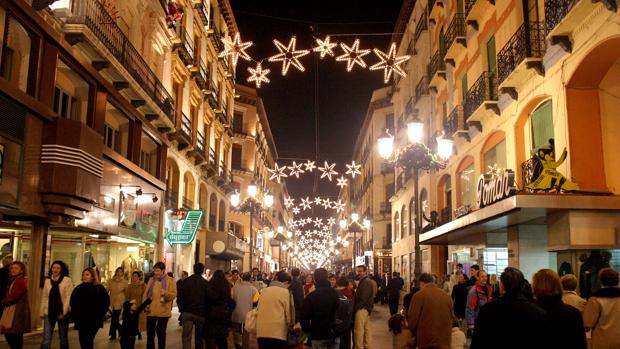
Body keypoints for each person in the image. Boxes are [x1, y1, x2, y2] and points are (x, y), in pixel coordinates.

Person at [470, 267, 550, 349]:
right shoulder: (538, 312)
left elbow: (477, 344)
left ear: (502, 285)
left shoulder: (487, 310)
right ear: (522, 285)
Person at [532, 269, 586, 349]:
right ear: (558, 286)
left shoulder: (528, 312)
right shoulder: (573, 313)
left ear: (535, 288)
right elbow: (580, 344)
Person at [407, 273, 453, 349]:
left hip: (426, 340)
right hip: (444, 340)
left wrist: (413, 333)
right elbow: (451, 316)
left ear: (422, 283)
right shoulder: (447, 296)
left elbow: (412, 319)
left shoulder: (418, 296)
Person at [300, 268, 340, 349]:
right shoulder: (335, 293)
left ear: (315, 279)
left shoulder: (311, 296)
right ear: (327, 277)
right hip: (333, 333)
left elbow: (304, 316)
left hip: (318, 334)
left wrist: (308, 330)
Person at [70, 268, 109, 349]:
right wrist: (75, 316)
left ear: (93, 276)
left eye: (87, 274)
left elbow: (105, 303)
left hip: (93, 320)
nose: (84, 276)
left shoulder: (99, 288)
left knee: (88, 340)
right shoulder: (78, 288)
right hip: (81, 320)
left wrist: (100, 314)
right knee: (82, 341)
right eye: (83, 274)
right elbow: (73, 303)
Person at [583, 268, 620, 349]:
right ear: (617, 280)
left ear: (601, 281)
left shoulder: (595, 299)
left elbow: (587, 325)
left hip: (602, 341)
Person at [256, 271, 294, 349]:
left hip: (261, 330)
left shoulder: (264, 291)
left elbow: (258, 308)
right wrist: (291, 325)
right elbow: (289, 313)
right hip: (278, 332)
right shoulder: (286, 292)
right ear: (286, 282)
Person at [40, 260, 73, 349]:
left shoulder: (67, 280)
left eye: (58, 268)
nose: (55, 270)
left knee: (63, 337)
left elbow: (68, 297)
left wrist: (64, 312)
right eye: (54, 267)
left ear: (61, 270)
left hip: (61, 312)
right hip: (49, 311)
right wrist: (41, 312)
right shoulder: (47, 281)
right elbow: (44, 296)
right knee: (46, 337)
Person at [143, 261, 177, 349]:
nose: (156, 273)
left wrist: (165, 293)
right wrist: (145, 304)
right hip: (151, 310)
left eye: (157, 270)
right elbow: (146, 294)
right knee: (150, 334)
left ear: (163, 270)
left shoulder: (171, 280)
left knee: (161, 333)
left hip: (163, 310)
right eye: (154, 271)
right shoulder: (151, 280)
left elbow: (173, 295)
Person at [0, 261, 31, 349]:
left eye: (16, 268)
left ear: (21, 270)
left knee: (13, 336)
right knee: (12, 335)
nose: (13, 270)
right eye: (12, 268)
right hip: (13, 311)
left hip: (17, 312)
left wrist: (2, 301)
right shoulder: (13, 280)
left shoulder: (20, 281)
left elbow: (13, 297)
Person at [179, 263, 208, 349]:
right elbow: (208, 299)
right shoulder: (205, 283)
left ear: (193, 269)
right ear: (202, 270)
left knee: (186, 337)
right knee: (199, 337)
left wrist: (181, 309)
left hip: (187, 312)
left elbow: (180, 297)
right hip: (200, 313)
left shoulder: (186, 281)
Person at [205, 270, 235, 349]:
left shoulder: (210, 285)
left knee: (211, 338)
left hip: (212, 314)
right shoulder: (227, 286)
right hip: (223, 315)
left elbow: (207, 300)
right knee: (222, 338)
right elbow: (230, 300)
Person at [232, 272, 259, 349]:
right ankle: (245, 346)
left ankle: (237, 345)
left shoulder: (235, 287)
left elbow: (231, 297)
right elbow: (256, 300)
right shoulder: (253, 289)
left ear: (242, 278)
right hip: (247, 314)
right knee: (246, 332)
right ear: (250, 278)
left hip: (236, 313)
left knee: (236, 330)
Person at [353, 265, 374, 349]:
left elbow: (364, 297)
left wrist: (357, 308)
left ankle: (359, 347)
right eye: (358, 271)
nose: (359, 273)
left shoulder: (366, 281)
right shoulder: (364, 281)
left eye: (361, 271)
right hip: (366, 308)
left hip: (362, 308)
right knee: (366, 329)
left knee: (359, 330)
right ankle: (367, 346)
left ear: (365, 271)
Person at [126, 271, 147, 340]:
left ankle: (139, 332)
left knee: (139, 320)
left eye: (135, 276)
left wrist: (144, 305)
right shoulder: (129, 286)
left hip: (140, 305)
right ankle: (134, 332)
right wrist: (128, 304)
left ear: (138, 277)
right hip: (132, 305)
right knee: (132, 320)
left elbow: (145, 295)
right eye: (133, 276)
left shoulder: (143, 285)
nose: (134, 277)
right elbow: (127, 296)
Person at [335, 277, 354, 349]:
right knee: (347, 338)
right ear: (346, 284)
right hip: (348, 319)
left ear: (338, 283)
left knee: (339, 339)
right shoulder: (350, 292)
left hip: (337, 320)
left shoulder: (335, 292)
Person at [109, 267, 127, 340]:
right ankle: (120, 330)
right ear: (116, 272)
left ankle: (113, 334)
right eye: (118, 271)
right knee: (114, 318)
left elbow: (127, 292)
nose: (119, 273)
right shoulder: (110, 281)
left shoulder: (125, 282)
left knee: (115, 318)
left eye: (121, 272)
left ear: (122, 273)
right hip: (112, 300)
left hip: (120, 301)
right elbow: (107, 289)